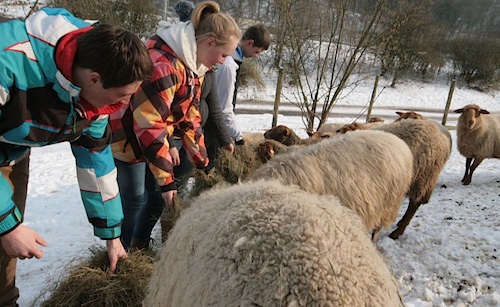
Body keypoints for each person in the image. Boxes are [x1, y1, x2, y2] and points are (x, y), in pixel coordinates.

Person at [0, 7, 154, 307]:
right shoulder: (8, 64)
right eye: (122, 95)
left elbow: (95, 156)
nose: (123, 104)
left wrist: (113, 236)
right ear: (94, 80)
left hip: (11, 148)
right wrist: (6, 224)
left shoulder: (92, 87)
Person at [110, 1, 241, 249]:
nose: (224, 62)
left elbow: (190, 115)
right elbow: (149, 123)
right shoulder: (164, 64)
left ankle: (132, 248)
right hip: (127, 137)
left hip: (149, 139)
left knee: (150, 196)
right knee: (134, 198)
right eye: (224, 54)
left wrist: (203, 161)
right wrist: (166, 180)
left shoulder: (193, 67)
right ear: (209, 42)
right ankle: (120, 255)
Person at [213, 23, 270, 148]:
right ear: (249, 42)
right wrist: (238, 138)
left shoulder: (232, 62)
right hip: (213, 128)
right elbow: (224, 108)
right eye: (256, 52)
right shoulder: (228, 66)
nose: (256, 56)